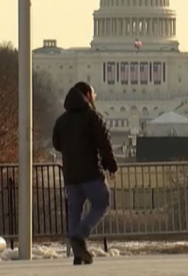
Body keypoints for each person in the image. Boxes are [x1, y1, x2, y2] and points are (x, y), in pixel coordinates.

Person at [52, 82, 118, 265]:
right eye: (93, 94)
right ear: (88, 95)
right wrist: (110, 164)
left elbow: (57, 144)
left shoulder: (61, 120)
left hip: (71, 174)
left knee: (75, 210)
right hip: (90, 172)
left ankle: (78, 252)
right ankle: (80, 235)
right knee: (102, 202)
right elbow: (103, 143)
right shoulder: (92, 117)